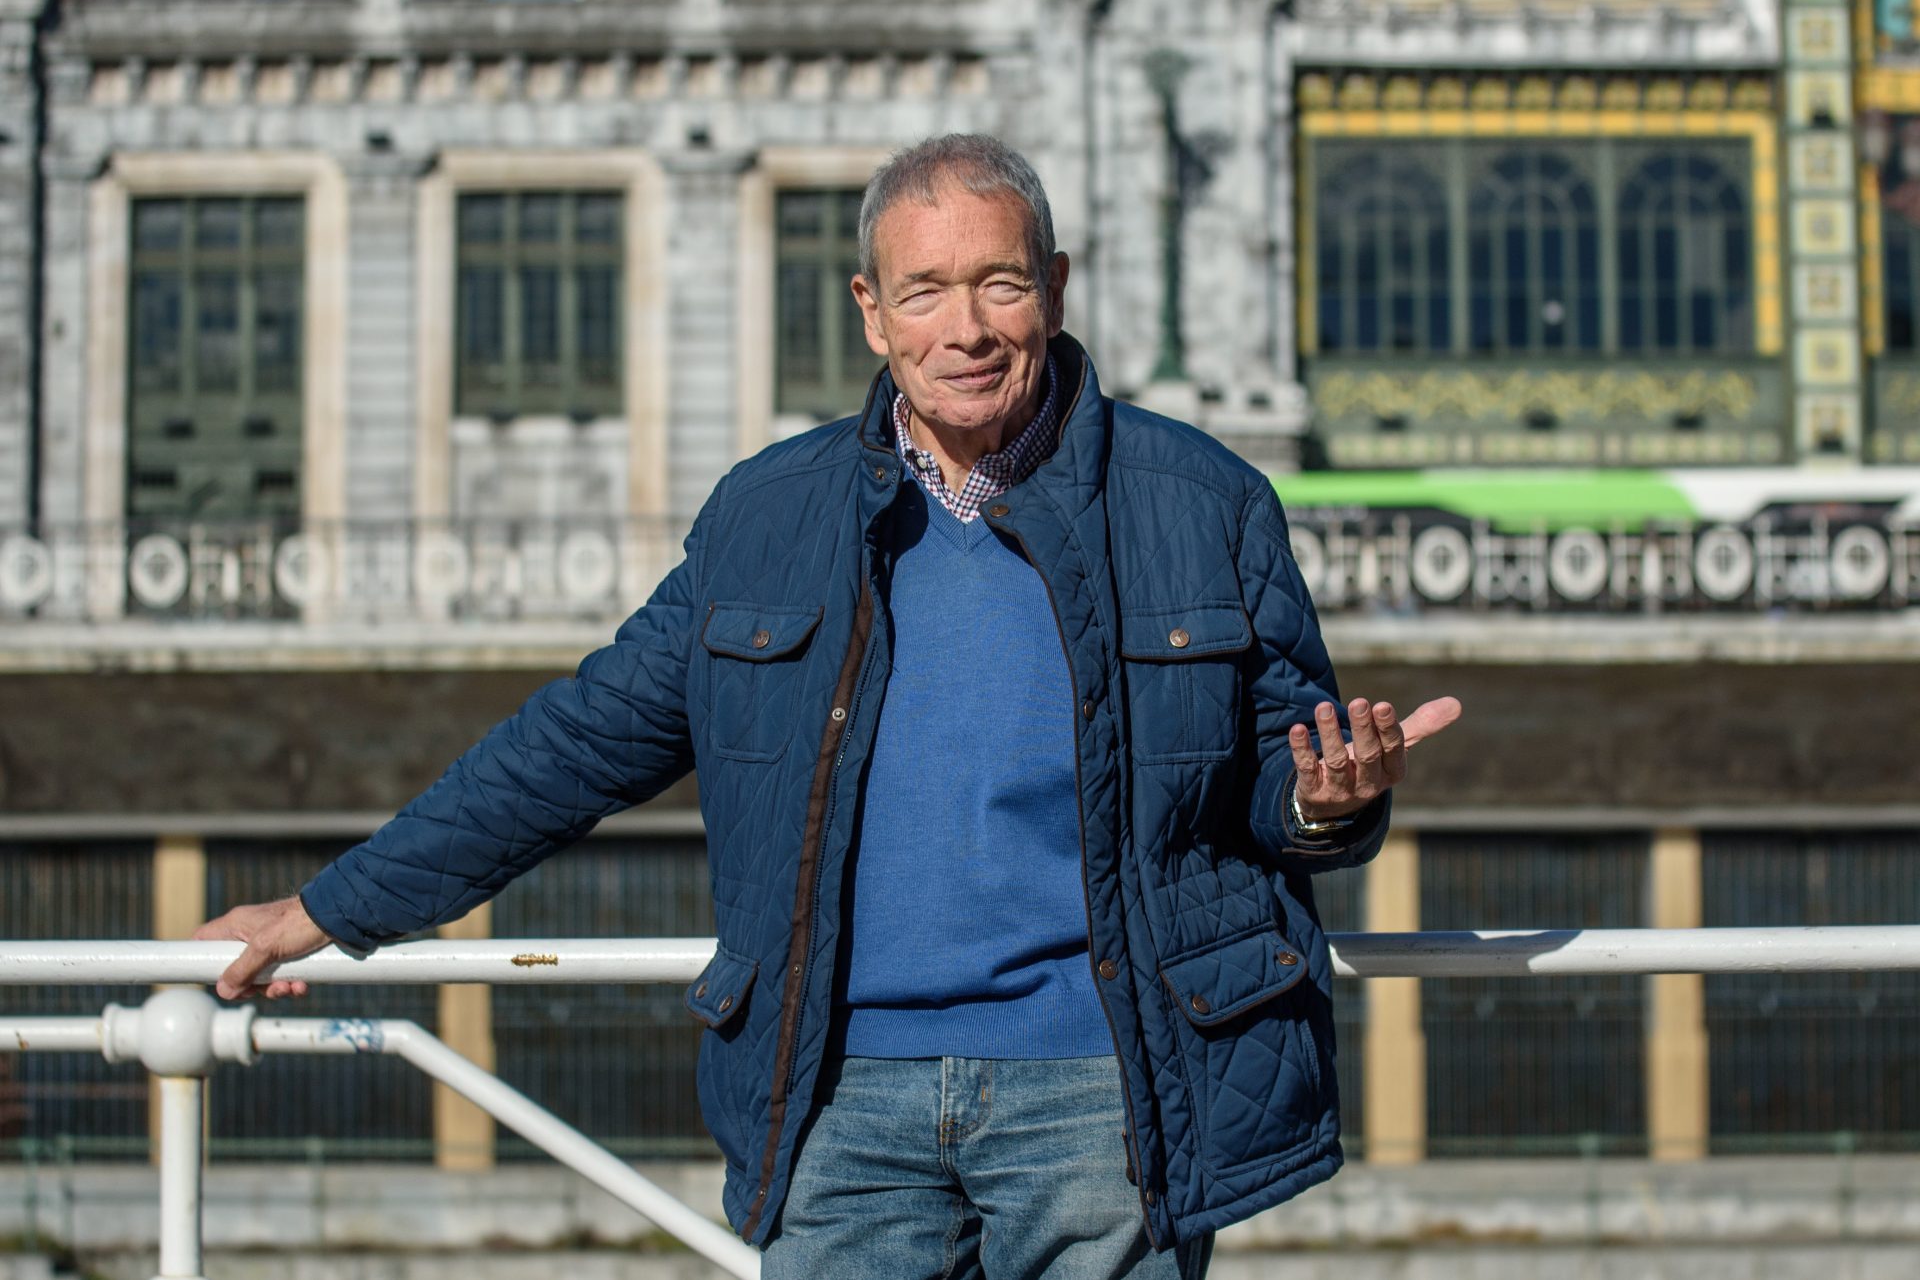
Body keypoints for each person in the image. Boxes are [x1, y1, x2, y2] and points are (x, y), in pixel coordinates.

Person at [198, 133, 1460, 1278]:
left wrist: (1319, 800)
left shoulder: (1204, 501)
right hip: (839, 1101)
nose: (964, 327)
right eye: (924, 291)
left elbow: (1272, 778)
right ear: (871, 312)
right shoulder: (768, 517)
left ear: (1056, 290)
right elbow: (574, 747)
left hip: (1103, 1091)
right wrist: (327, 909)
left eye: (999, 284)